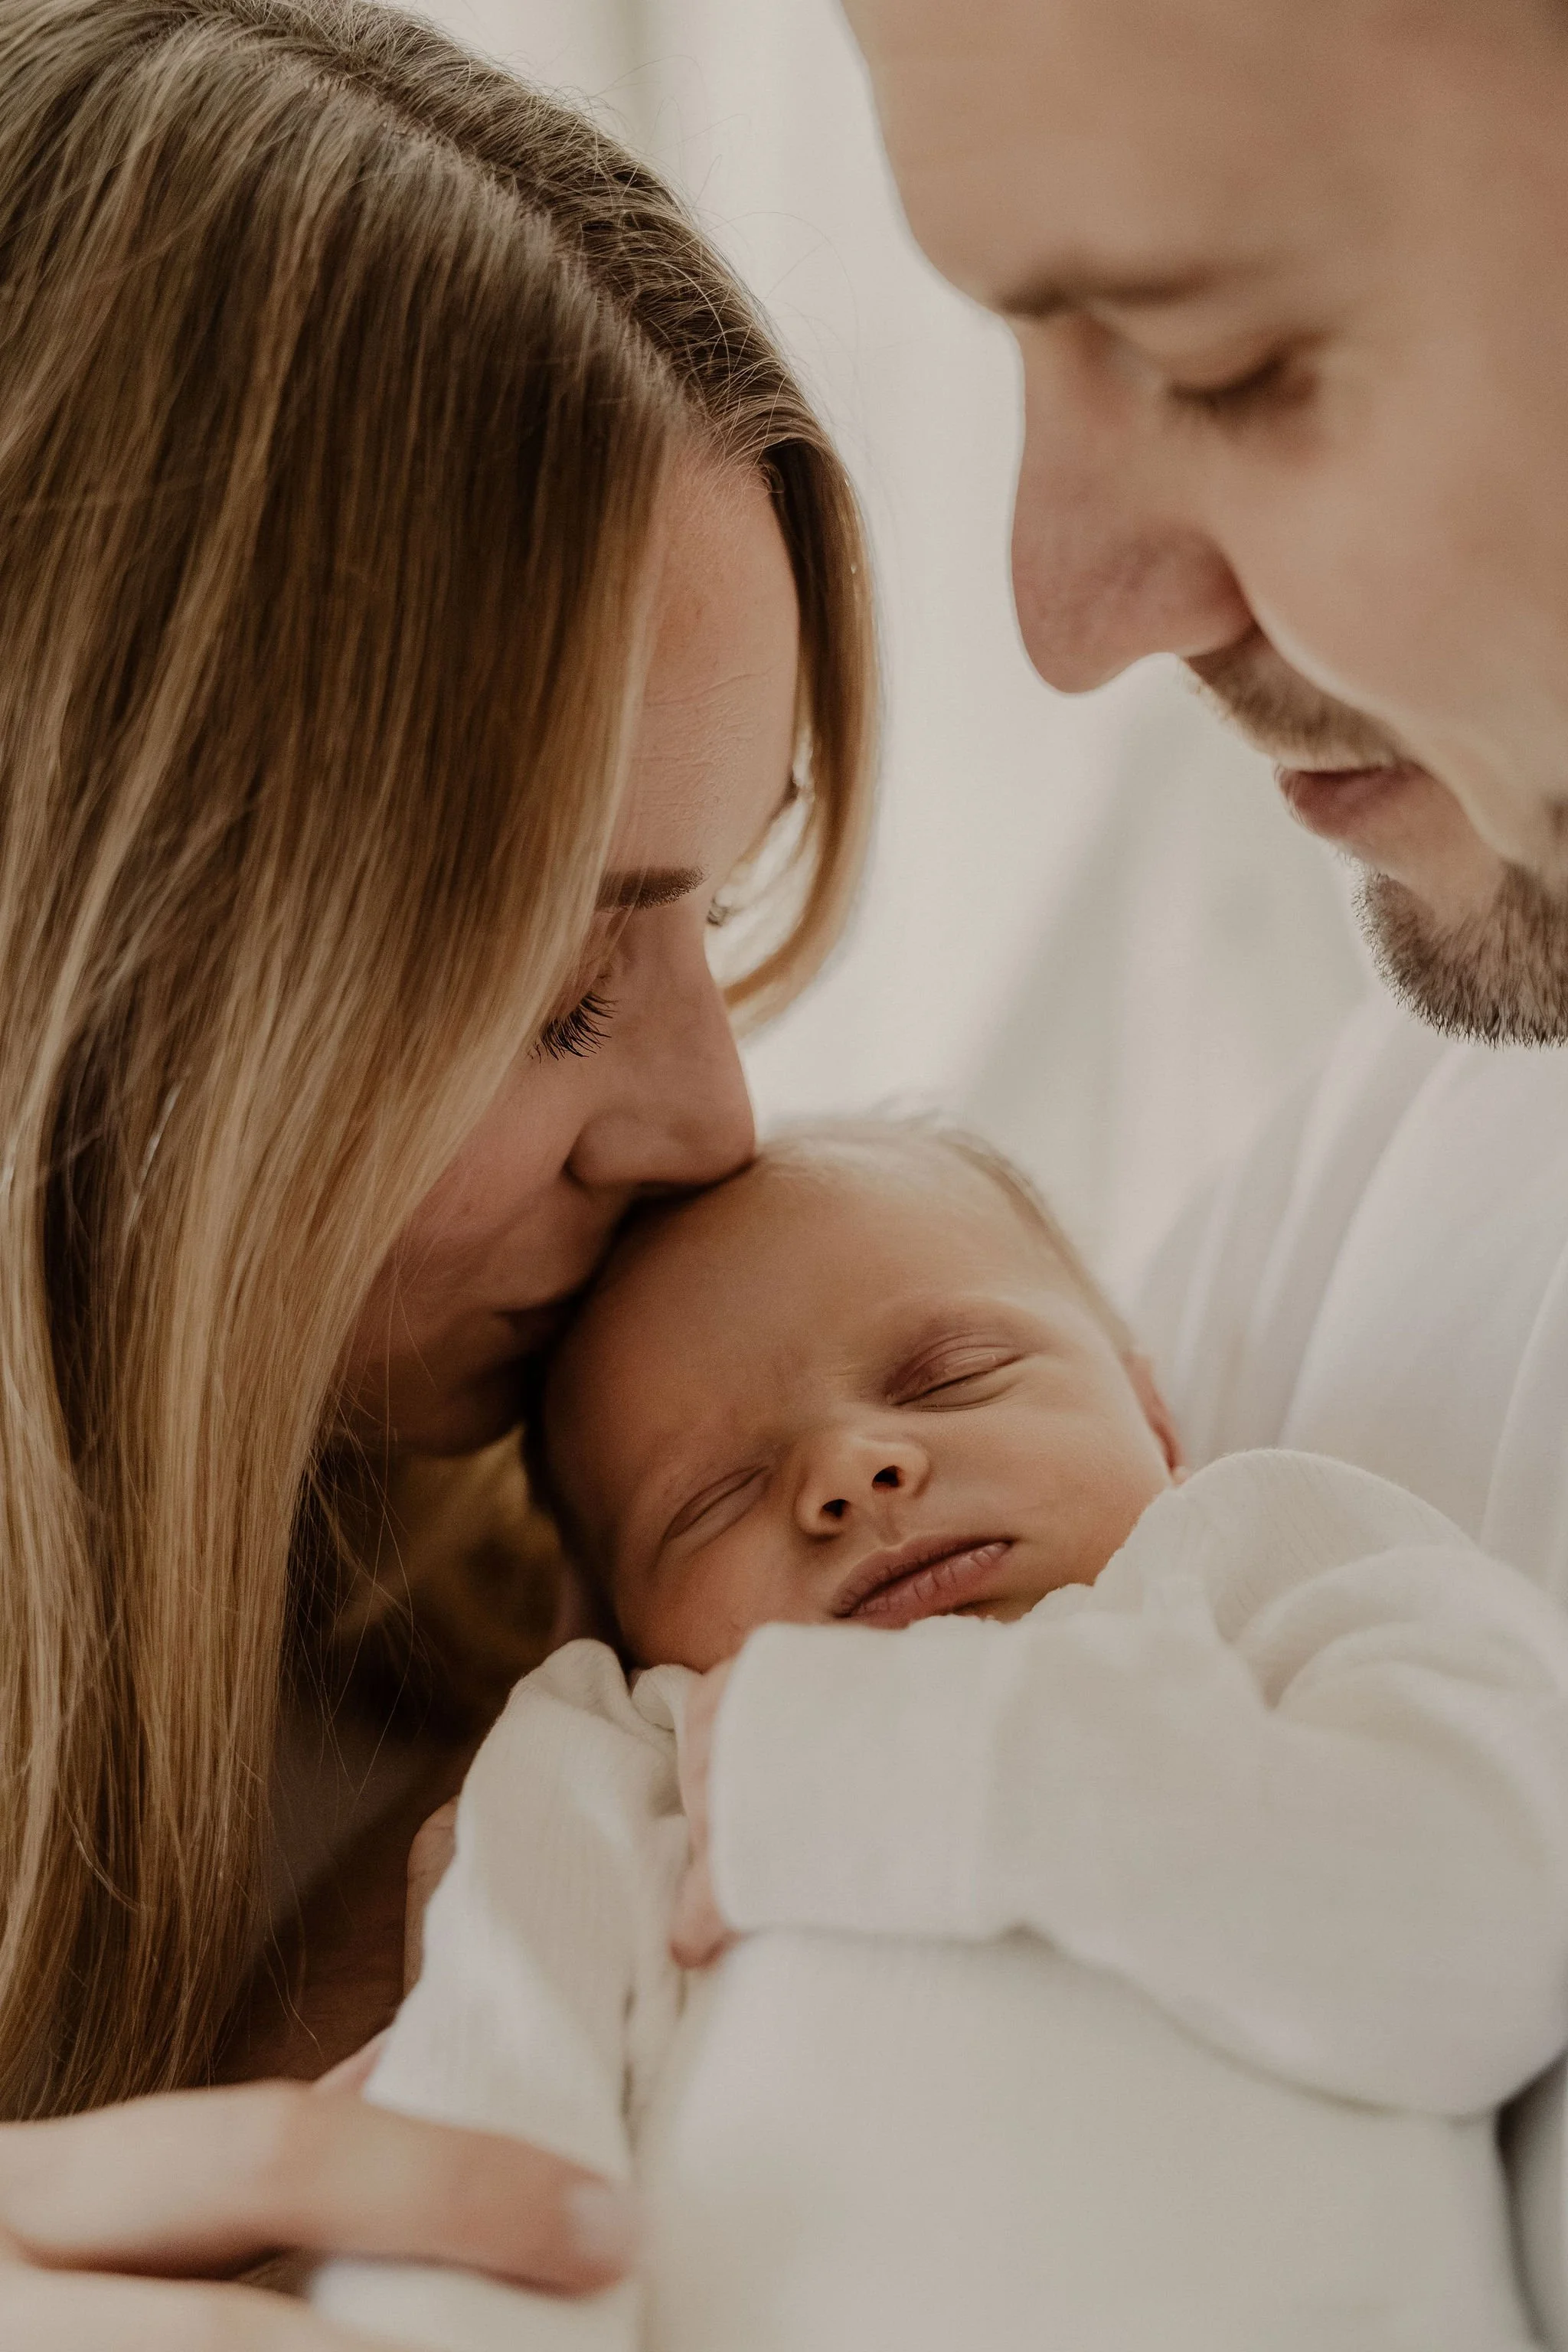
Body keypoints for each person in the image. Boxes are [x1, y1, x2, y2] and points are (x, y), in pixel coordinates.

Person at [0, 0, 875, 2341]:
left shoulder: (640, 1697)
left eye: (720, 909)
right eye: (549, 985)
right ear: (90, 958)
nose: (717, 1127)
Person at [313, 1122, 1565, 2350]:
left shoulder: (1258, 1559)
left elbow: (1507, 1925)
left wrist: (949, 1765)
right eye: (708, 1501)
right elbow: (478, 2156)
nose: (851, 1471)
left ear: (1153, 1415)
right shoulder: (621, 1760)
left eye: (948, 1376)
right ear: (618, 1622)